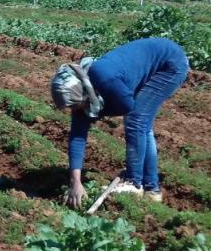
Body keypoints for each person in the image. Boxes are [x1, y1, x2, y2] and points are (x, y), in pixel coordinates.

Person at [50, 37, 189, 207]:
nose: (76, 111)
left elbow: (127, 106)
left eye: (77, 106)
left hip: (169, 64)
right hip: (149, 65)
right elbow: (77, 137)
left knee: (136, 120)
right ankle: (152, 190)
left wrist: (96, 113)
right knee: (143, 126)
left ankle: (134, 183)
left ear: (84, 94)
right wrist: (75, 182)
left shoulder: (103, 77)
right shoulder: (81, 92)